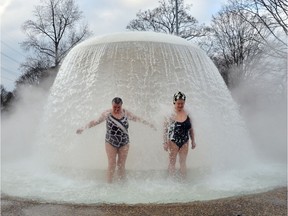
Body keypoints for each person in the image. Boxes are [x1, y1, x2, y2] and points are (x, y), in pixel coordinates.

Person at [76, 97, 155, 183]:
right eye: (115, 107)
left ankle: (122, 185)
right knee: (112, 164)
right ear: (112, 105)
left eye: (119, 107)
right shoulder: (107, 114)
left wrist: (149, 124)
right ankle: (109, 184)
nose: (117, 109)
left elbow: (137, 119)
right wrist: (83, 128)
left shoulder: (125, 113)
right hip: (110, 141)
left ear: (121, 106)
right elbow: (95, 122)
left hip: (124, 142)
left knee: (121, 165)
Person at [163, 91, 196, 179]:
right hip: (173, 140)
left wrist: (193, 141)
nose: (180, 105)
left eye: (182, 103)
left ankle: (183, 181)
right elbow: (165, 129)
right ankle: (171, 181)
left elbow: (191, 129)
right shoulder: (170, 114)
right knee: (172, 161)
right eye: (178, 103)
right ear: (174, 102)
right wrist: (165, 142)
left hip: (185, 140)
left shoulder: (188, 114)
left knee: (183, 162)